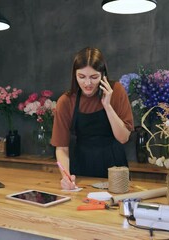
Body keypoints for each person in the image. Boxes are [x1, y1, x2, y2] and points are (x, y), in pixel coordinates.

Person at [51, 47, 134, 190]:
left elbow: (123, 138)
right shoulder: (66, 101)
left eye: (94, 77)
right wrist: (66, 176)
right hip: (82, 166)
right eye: (81, 77)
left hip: (115, 167)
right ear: (74, 75)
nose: (87, 83)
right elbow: (62, 148)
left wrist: (107, 105)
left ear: (103, 74)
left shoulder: (117, 91)